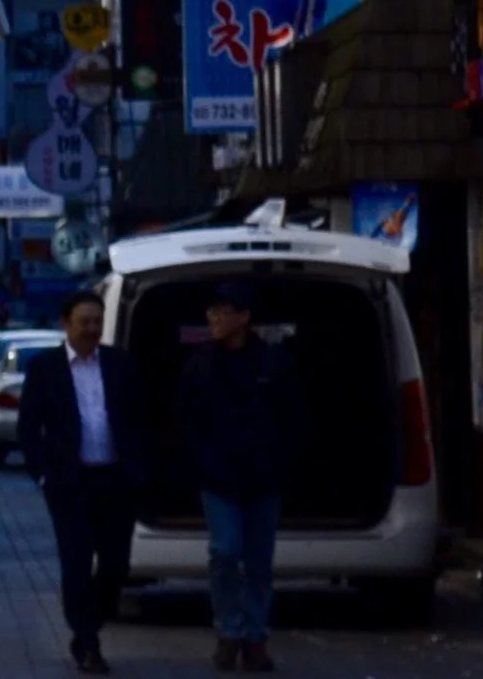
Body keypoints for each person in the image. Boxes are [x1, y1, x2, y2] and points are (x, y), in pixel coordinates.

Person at [18, 289, 145, 675]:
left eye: (96, 322)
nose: (91, 329)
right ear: (66, 324)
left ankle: (93, 621)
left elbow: (140, 418)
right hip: (70, 483)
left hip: (115, 480)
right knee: (75, 562)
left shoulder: (120, 365)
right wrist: (43, 473)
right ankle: (87, 642)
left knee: (115, 565)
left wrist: (140, 468)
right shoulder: (45, 369)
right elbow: (28, 428)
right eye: (84, 322)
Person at [184, 278, 304, 673]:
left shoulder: (273, 362)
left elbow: (292, 420)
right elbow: (186, 421)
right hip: (218, 479)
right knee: (224, 551)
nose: (215, 318)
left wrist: (281, 463)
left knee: (259, 562)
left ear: (245, 317)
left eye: (224, 311)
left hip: (263, 478)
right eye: (212, 311)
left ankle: (254, 637)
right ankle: (228, 630)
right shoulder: (201, 363)